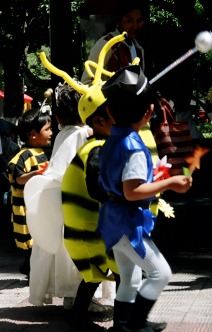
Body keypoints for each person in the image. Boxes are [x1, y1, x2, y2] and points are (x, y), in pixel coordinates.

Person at [98, 66, 192, 332]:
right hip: (125, 221)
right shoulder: (134, 147)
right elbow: (132, 191)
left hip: (113, 218)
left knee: (130, 277)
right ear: (149, 112)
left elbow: (121, 183)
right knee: (160, 273)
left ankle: (122, 325)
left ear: (108, 111)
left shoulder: (113, 139)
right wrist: (171, 182)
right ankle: (136, 325)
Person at [27, 83, 89, 308]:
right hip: (74, 199)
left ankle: (70, 295)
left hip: (56, 197)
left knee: (59, 249)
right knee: (75, 249)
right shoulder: (82, 133)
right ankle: (76, 296)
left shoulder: (63, 134)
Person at [61, 100, 119, 332]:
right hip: (93, 226)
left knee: (95, 274)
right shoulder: (97, 148)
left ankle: (78, 318)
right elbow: (96, 187)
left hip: (87, 225)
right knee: (121, 271)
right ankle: (123, 324)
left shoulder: (96, 145)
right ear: (99, 121)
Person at [7, 107, 52, 277]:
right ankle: (31, 271)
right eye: (47, 129)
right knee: (32, 239)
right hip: (25, 207)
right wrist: (36, 174)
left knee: (39, 239)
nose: (51, 132)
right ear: (33, 133)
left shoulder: (40, 152)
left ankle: (29, 268)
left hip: (37, 205)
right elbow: (17, 178)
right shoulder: (23, 155)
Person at [81, 0, 146, 84]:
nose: (135, 26)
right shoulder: (106, 44)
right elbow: (86, 83)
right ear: (118, 21)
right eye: (129, 21)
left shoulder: (138, 49)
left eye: (139, 20)